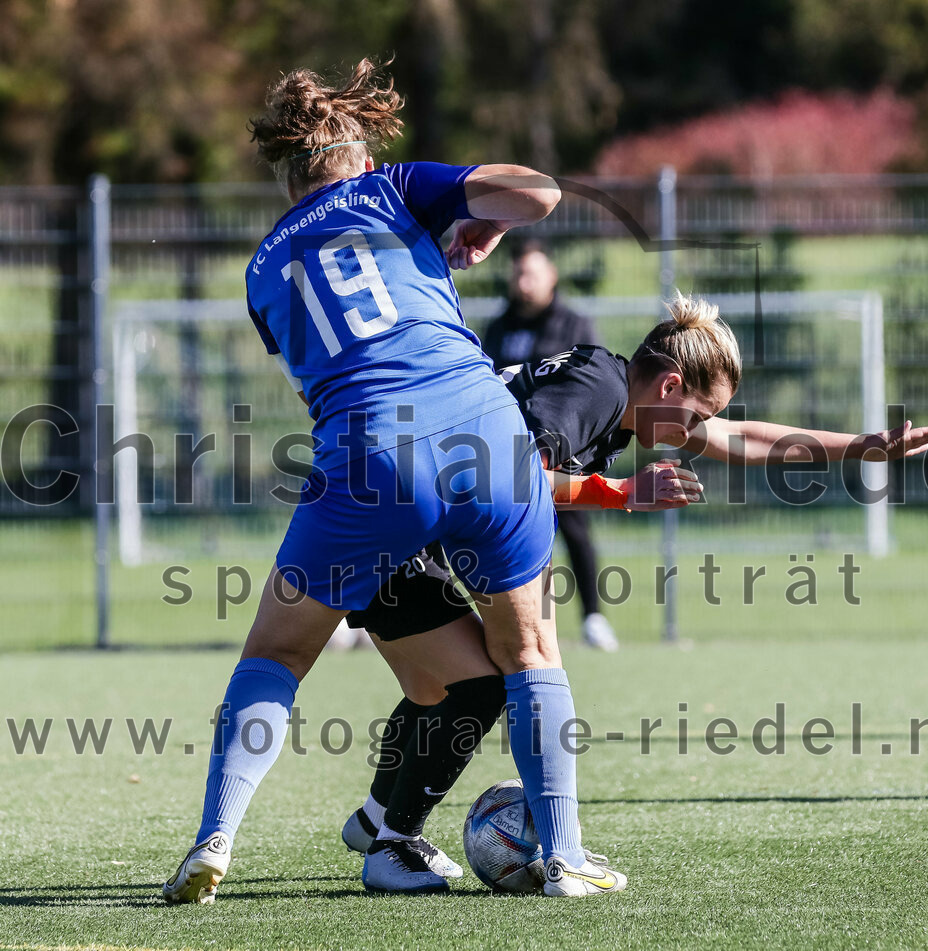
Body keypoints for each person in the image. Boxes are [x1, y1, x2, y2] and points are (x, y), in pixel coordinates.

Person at [162, 57, 626, 904]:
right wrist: (477, 220)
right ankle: (565, 858)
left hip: (371, 455)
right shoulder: (394, 187)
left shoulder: (263, 270)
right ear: (361, 159)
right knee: (529, 652)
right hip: (488, 434)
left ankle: (213, 837)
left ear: (289, 176)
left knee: (276, 651)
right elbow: (541, 193)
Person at [341, 292, 928, 891]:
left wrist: (860, 449)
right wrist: (622, 491)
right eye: (697, 414)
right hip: (388, 528)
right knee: (485, 682)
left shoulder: (613, 392)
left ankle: (376, 823)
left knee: (439, 686)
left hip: (385, 519)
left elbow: (742, 438)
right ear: (669, 386)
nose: (700, 431)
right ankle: (402, 846)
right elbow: (509, 478)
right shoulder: (596, 391)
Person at [482, 241, 619, 651]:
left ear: (551, 278)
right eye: (519, 275)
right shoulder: (499, 326)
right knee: (514, 538)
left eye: (533, 275)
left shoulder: (572, 324)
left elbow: (592, 395)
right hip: (505, 452)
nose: (524, 283)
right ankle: (517, 625)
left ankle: (594, 617)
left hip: (559, 452)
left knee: (575, 530)